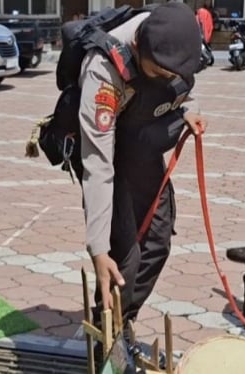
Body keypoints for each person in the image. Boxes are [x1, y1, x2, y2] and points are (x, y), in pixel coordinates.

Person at [78, 1, 207, 354]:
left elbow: (178, 90)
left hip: (142, 148)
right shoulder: (103, 70)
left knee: (158, 242)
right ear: (139, 49)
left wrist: (185, 115)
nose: (169, 79)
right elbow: (98, 164)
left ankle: (123, 319)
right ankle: (103, 336)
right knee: (124, 257)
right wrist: (97, 249)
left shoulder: (173, 40)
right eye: (161, 73)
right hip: (107, 154)